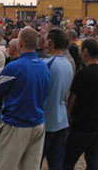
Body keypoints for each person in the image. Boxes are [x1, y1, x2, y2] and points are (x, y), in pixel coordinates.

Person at [0, 27, 50, 170]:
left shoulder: (14, 67)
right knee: (31, 166)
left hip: (16, 122)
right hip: (38, 122)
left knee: (2, 165)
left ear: (20, 44)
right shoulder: (44, 66)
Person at [63, 38, 98, 170]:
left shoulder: (83, 74)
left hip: (81, 124)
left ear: (85, 52)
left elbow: (72, 99)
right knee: (95, 162)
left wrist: (68, 116)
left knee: (67, 161)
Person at [41, 29, 73, 170]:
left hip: (47, 120)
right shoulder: (67, 63)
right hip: (61, 119)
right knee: (56, 163)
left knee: (36, 161)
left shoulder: (47, 63)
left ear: (51, 42)